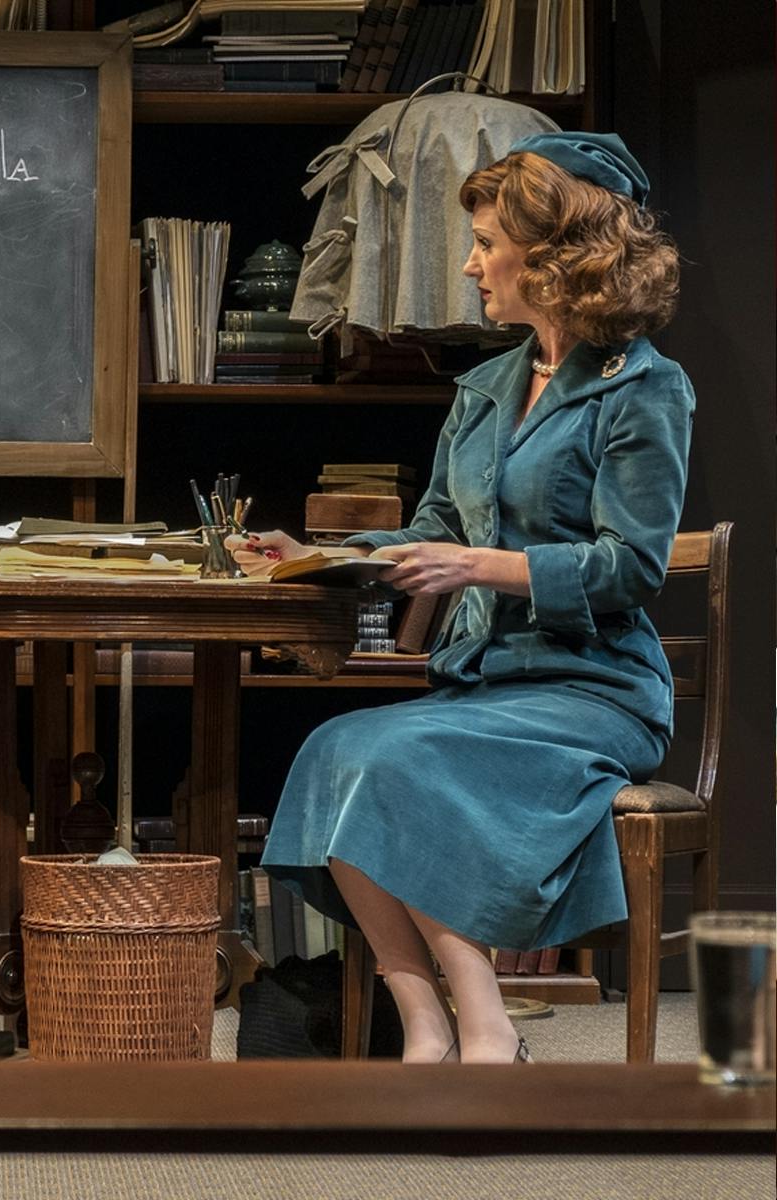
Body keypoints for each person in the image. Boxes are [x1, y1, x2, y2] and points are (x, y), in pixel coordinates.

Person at [232, 133, 691, 1064]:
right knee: (332, 750)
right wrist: (319, 556)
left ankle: (486, 1027)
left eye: (487, 244)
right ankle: (427, 1024)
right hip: (488, 684)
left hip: (593, 689)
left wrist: (474, 567)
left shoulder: (644, 389)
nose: (473, 265)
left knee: (399, 762)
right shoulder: (485, 388)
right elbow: (434, 524)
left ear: (555, 254)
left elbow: (630, 568)